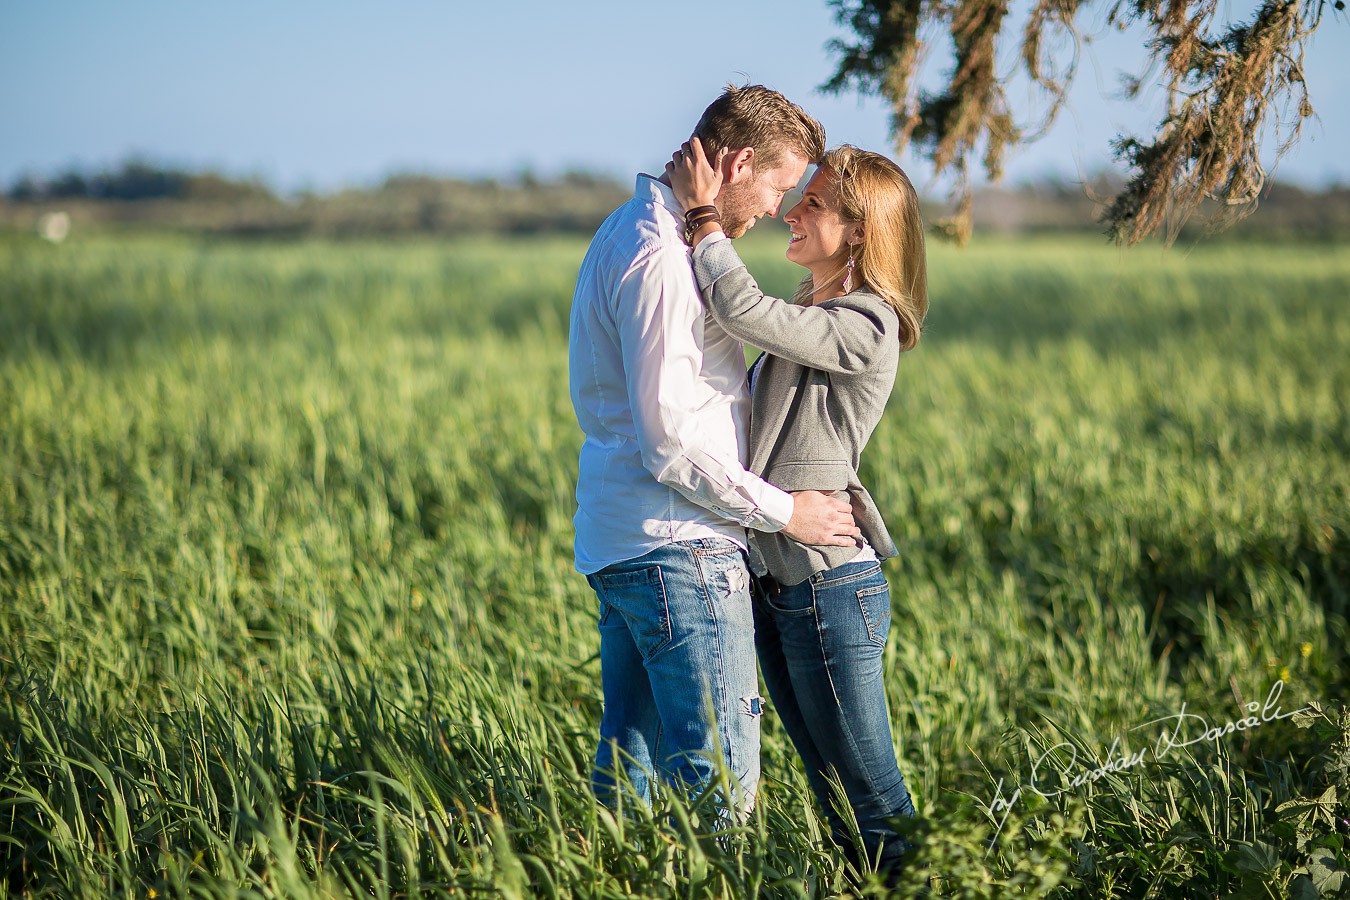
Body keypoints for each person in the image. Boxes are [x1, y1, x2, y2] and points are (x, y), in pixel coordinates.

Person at [567, 85, 861, 817]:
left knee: (628, 783)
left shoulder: (631, 229)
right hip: (680, 550)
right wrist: (784, 512)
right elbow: (670, 441)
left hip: (629, 542)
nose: (776, 209)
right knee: (722, 793)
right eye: (778, 185)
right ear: (735, 163)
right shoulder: (661, 257)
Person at [666, 136, 928, 881]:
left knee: (874, 802)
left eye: (813, 203)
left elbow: (739, 307)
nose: (792, 211)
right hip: (783, 586)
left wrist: (704, 217)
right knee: (835, 801)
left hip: (831, 589)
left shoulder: (867, 323)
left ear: (860, 231)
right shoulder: (816, 313)